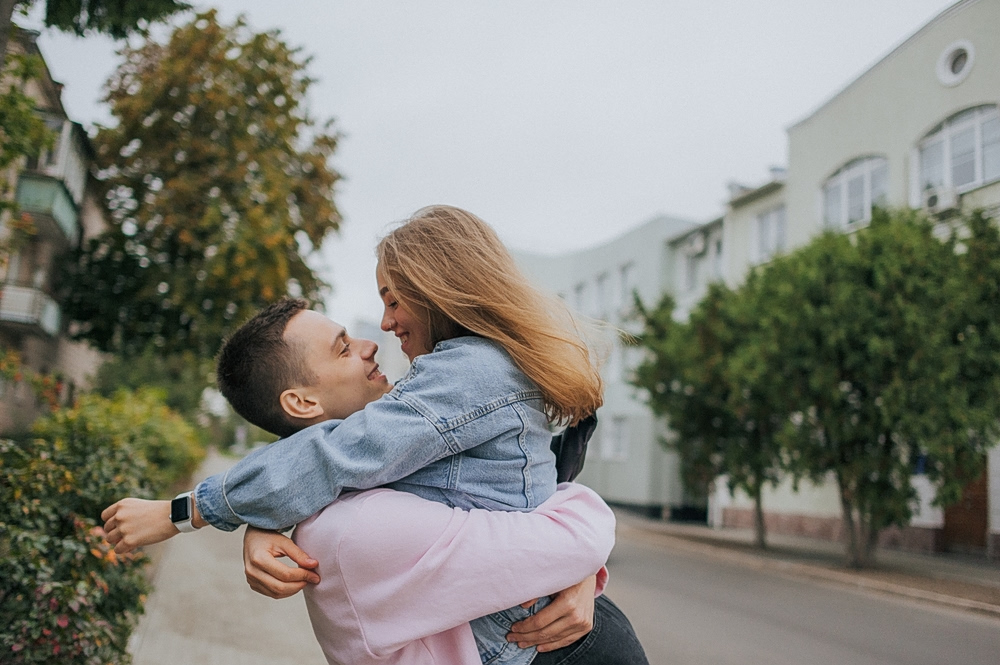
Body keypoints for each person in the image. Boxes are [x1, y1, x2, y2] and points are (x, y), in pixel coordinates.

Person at [103, 206, 644, 663]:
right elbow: (338, 458)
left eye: (392, 301)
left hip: (562, 645)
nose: (379, 331)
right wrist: (265, 517)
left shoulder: (465, 374)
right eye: (343, 346)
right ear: (301, 401)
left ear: (438, 292)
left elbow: (340, 456)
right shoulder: (355, 518)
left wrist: (190, 512)